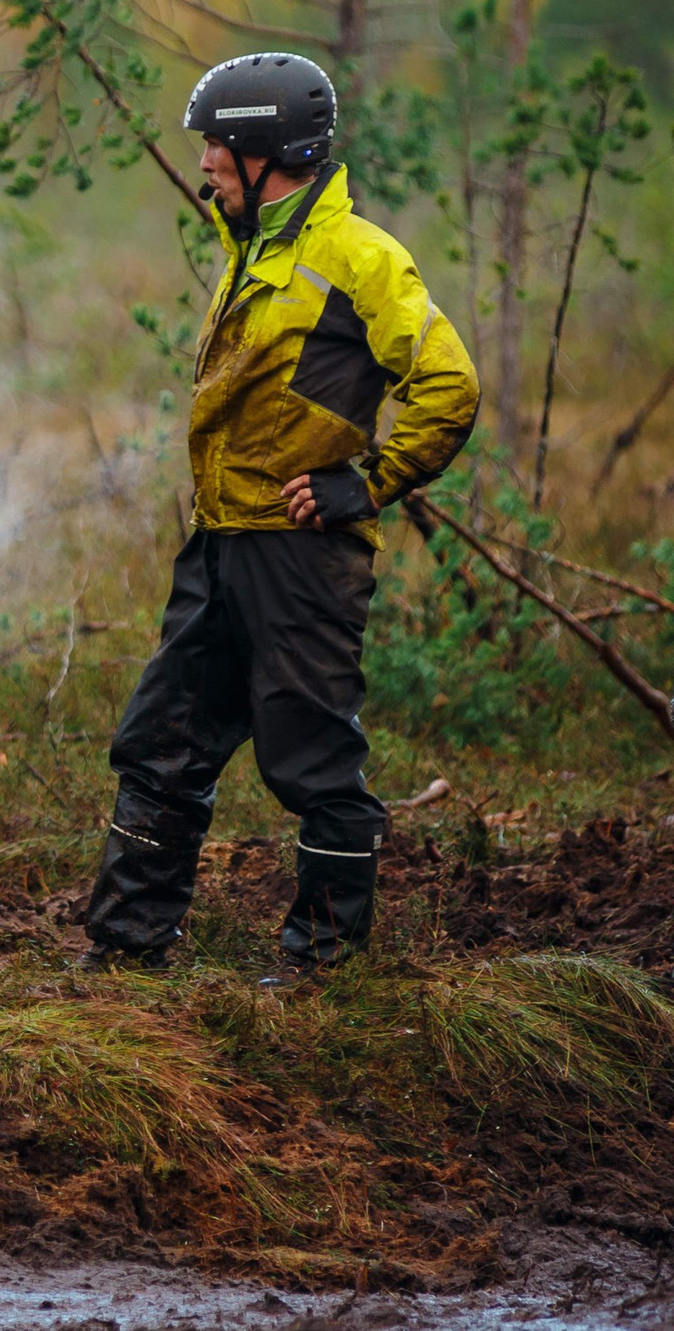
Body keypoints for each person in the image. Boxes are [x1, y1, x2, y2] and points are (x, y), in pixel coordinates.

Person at [79, 53, 480, 983]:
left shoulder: (359, 256)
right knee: (162, 743)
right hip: (223, 540)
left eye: (218, 144)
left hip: (301, 556)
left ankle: (324, 970)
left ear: (266, 151)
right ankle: (128, 948)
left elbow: (449, 383)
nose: (205, 161)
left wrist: (368, 482)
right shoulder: (255, 246)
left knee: (312, 763)